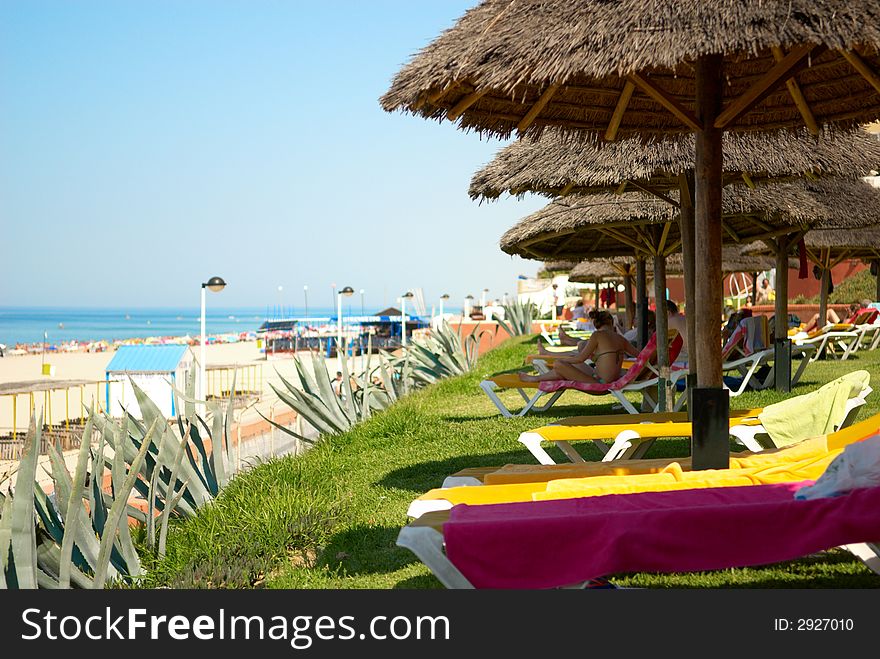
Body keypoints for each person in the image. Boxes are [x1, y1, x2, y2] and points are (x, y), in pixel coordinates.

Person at [521, 311, 640, 384]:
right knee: (565, 366)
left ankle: (535, 378)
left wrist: (561, 360)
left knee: (559, 365)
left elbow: (580, 359)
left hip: (601, 382)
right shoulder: (621, 338)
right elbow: (640, 356)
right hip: (605, 378)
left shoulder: (597, 335)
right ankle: (535, 377)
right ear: (611, 323)